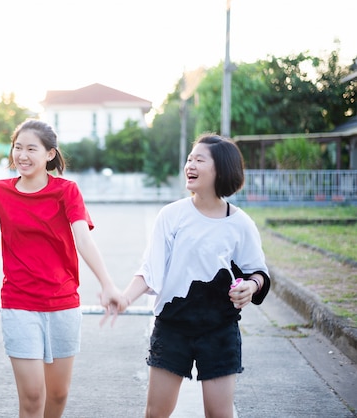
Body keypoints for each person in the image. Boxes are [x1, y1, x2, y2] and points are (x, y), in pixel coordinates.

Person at [0, 118, 125, 418]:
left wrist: (107, 284)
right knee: (34, 395)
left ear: (50, 154)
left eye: (31, 149)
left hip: (63, 303)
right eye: (17, 147)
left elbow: (83, 240)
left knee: (59, 394)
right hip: (19, 304)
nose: (21, 155)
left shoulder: (67, 191)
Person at [116, 134, 271, 418]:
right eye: (190, 159)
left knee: (219, 414)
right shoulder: (171, 216)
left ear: (221, 169)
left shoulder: (240, 224)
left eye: (200, 159)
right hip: (172, 326)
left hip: (220, 329)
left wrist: (251, 285)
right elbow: (150, 270)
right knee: (155, 413)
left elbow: (258, 272)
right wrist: (124, 298)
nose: (191, 165)